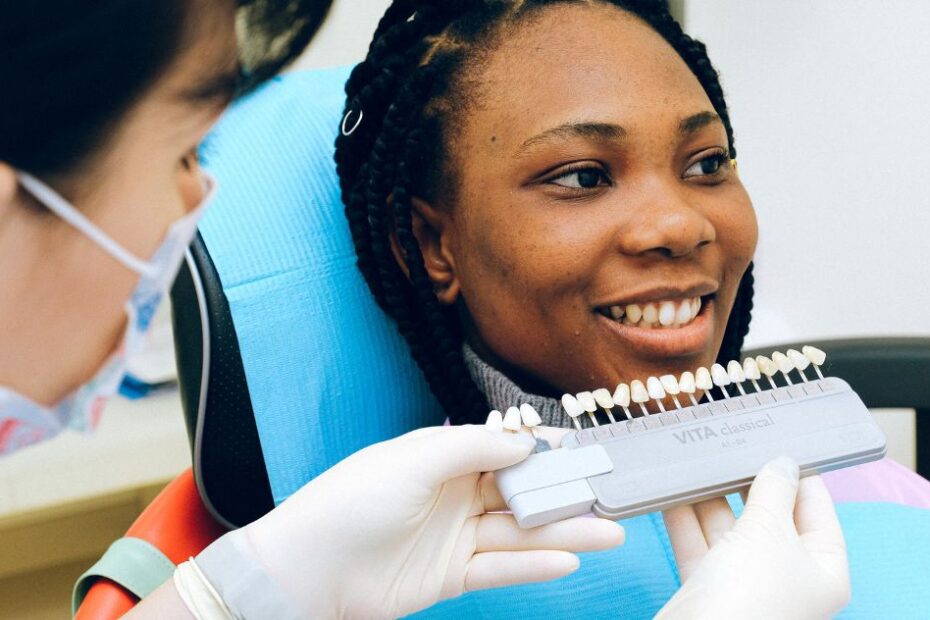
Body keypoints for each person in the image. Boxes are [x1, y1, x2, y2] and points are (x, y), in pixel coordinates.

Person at [0, 1, 848, 618]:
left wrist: (230, 600)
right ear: (431, 246)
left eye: (708, 163)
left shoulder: (867, 489)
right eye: (582, 176)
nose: (680, 224)